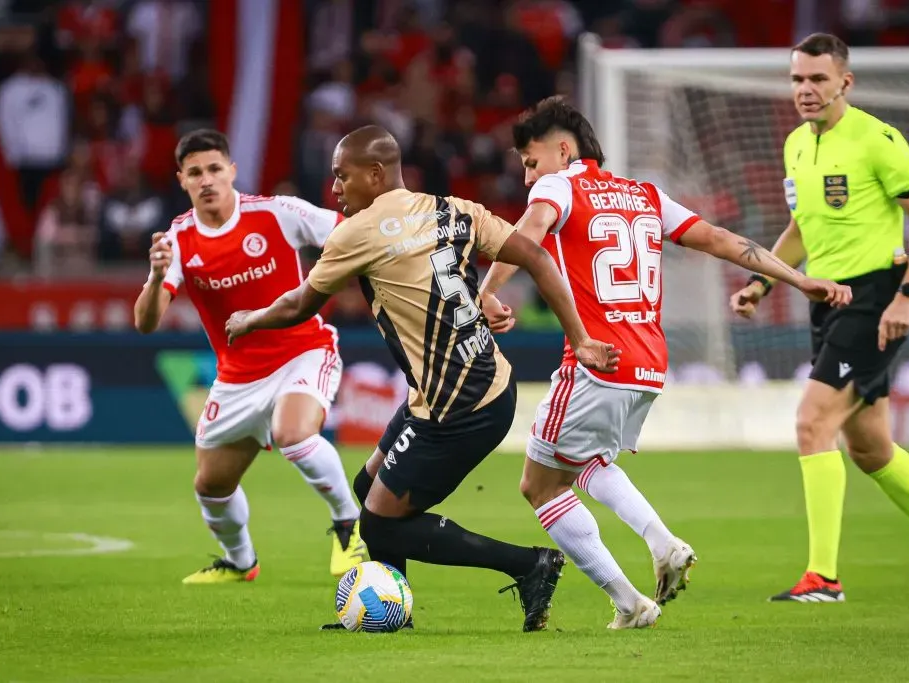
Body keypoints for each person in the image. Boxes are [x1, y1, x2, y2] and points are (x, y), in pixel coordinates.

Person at [224, 125, 620, 632]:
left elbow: (301, 304)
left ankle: (528, 566)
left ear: (375, 174)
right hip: (475, 384)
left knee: (380, 521)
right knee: (367, 484)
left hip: (459, 406)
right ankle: (395, 610)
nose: (336, 189)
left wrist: (249, 319)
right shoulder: (456, 209)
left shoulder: (357, 232)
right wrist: (579, 338)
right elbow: (538, 257)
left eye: (342, 176)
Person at [480, 96, 852, 628]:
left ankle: (629, 603)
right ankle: (662, 543)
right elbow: (721, 240)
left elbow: (529, 236)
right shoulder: (645, 194)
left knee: (538, 486)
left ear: (563, 151)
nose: (528, 175)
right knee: (583, 463)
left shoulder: (558, 186)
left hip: (595, 357)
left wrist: (488, 292)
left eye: (531, 160)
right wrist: (799, 279)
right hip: (648, 364)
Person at [729, 33, 909, 602]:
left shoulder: (877, 139)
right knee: (869, 448)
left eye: (818, 79)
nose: (806, 90)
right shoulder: (796, 144)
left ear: (845, 81)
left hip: (875, 298)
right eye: (797, 79)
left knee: (811, 423)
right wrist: (762, 282)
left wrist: (907, 297)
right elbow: (801, 231)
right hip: (828, 302)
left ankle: (823, 577)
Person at [133, 129, 368, 584]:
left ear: (232, 171)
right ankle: (241, 562)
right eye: (195, 172)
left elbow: (350, 236)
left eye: (215, 169)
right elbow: (146, 322)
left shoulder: (277, 213)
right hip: (238, 378)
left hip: (303, 351)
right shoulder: (178, 241)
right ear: (182, 179)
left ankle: (348, 524)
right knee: (211, 486)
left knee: (293, 435)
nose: (207, 180)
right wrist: (155, 275)